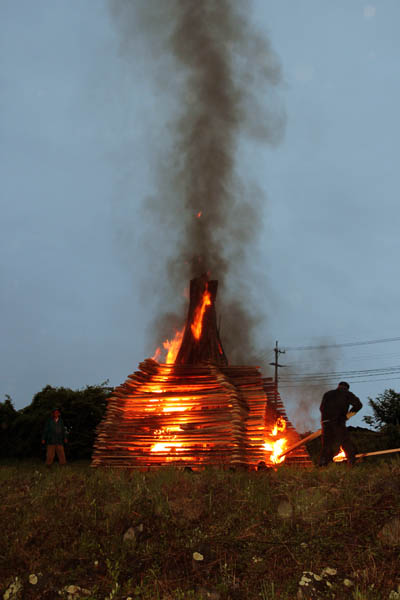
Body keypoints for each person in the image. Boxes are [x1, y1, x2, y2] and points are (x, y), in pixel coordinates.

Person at [319, 381, 362, 466]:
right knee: (345, 441)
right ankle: (351, 462)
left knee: (327, 444)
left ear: (338, 386)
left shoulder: (327, 394)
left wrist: (325, 418)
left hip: (325, 422)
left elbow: (321, 408)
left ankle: (323, 463)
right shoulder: (347, 394)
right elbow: (358, 405)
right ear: (347, 388)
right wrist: (347, 416)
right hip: (338, 422)